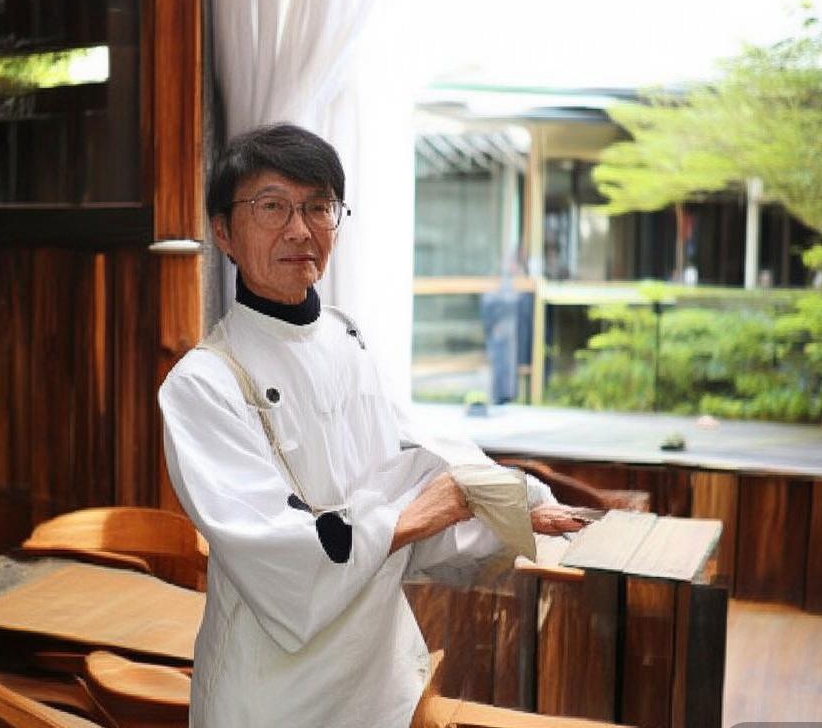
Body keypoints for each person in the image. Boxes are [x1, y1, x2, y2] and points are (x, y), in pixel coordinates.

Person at [158, 124, 583, 727]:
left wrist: (509, 506)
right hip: (276, 698)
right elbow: (282, 556)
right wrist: (427, 510)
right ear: (223, 231)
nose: (300, 229)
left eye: (319, 207)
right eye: (273, 207)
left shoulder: (346, 337)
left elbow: (408, 471)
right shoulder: (203, 384)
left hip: (379, 684)